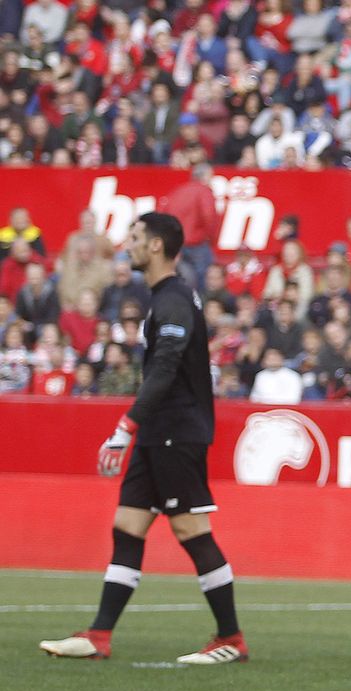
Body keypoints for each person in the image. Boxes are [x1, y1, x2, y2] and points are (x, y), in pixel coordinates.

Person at [39, 213, 247, 665]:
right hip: (159, 434)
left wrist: (125, 426)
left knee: (191, 529)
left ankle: (231, 638)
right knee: (128, 526)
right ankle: (99, 635)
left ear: (155, 246)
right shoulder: (162, 299)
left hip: (176, 433)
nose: (126, 245)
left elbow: (166, 368)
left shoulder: (172, 300)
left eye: (133, 238)